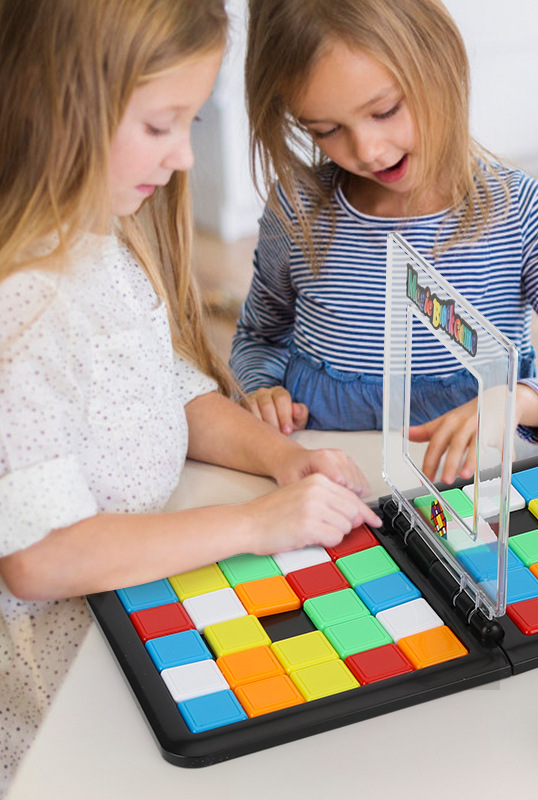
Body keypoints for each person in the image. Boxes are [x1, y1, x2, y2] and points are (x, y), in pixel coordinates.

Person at [0, 0, 381, 791]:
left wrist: (282, 459)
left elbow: (170, 390)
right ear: (59, 106)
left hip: (138, 608)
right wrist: (252, 524)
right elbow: (40, 557)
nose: (181, 158)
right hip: (63, 696)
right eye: (159, 125)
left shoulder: (100, 240)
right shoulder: (21, 306)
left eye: (190, 124)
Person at [232, 0, 538, 485]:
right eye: (327, 130)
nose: (367, 150)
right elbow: (259, 336)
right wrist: (261, 387)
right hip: (331, 494)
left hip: (467, 497)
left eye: (385, 111)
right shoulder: (296, 210)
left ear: (440, 62)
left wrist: (516, 402)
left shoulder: (523, 213)